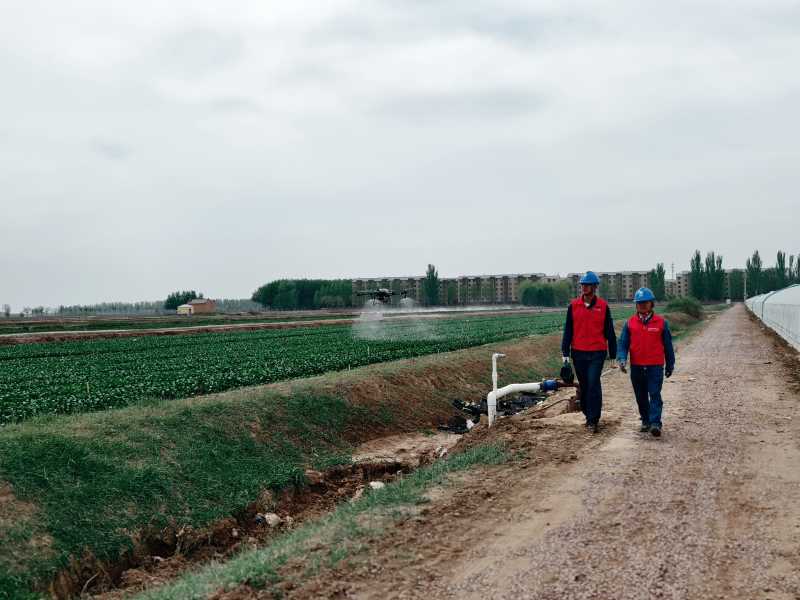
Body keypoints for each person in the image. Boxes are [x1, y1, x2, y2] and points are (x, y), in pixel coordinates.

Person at [561, 271, 617, 433]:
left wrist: (612, 355)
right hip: (578, 353)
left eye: (587, 285)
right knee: (585, 386)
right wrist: (565, 353)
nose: (584, 287)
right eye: (583, 285)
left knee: (593, 383)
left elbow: (610, 332)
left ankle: (594, 420)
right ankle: (588, 415)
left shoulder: (603, 307)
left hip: (597, 353)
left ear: (594, 287)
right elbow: (568, 331)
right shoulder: (573, 306)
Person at [616, 287, 675, 438]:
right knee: (640, 395)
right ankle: (646, 420)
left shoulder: (661, 323)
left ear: (651, 304)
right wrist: (622, 359)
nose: (642, 305)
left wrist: (670, 364)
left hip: (655, 366)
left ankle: (655, 423)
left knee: (654, 393)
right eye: (639, 302)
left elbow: (668, 346)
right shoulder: (630, 324)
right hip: (636, 367)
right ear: (636, 304)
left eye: (645, 302)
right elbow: (622, 344)